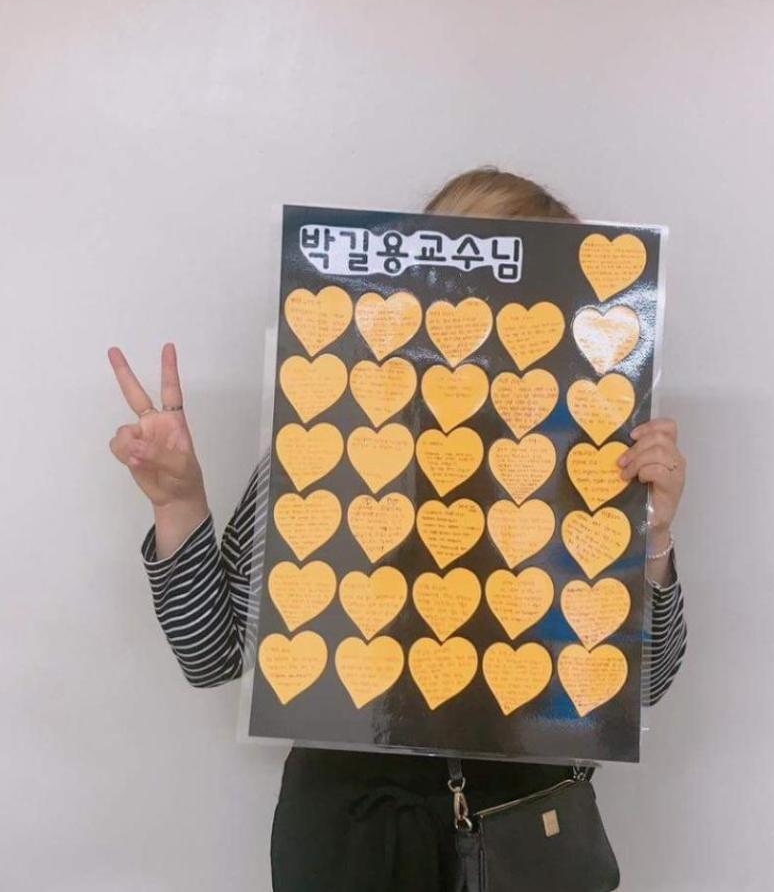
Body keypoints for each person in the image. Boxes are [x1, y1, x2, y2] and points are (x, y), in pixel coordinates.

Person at [107, 168, 688, 892]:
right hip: (351, 839)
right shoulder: (325, 440)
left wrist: (653, 537)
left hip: (528, 830)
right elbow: (213, 656)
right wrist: (179, 502)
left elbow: (644, 686)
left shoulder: (590, 455)